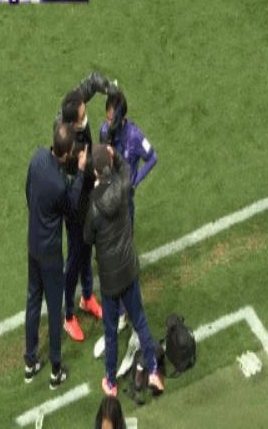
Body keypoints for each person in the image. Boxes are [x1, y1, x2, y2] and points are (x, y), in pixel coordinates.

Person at [84, 144, 164, 397]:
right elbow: (127, 169)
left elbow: (87, 238)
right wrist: (115, 155)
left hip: (110, 280)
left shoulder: (93, 205)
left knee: (110, 333)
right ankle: (153, 370)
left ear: (95, 172)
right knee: (139, 319)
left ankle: (111, 382)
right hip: (128, 269)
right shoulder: (122, 185)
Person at [54, 72, 118, 342]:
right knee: (75, 259)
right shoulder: (71, 146)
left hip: (88, 201)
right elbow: (88, 169)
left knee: (87, 249)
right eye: (82, 115)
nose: (85, 114)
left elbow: (89, 83)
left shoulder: (70, 107)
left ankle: (87, 297)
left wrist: (108, 87)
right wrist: (106, 156)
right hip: (77, 207)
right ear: (73, 123)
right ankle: (68, 316)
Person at [24, 122, 88, 389]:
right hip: (50, 254)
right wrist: (81, 172)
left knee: (32, 301)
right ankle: (55, 370)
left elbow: (27, 191)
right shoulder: (60, 185)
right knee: (54, 309)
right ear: (69, 152)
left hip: (33, 245)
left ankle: (30, 363)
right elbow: (72, 207)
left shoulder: (37, 157)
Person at [100, 90, 158, 229]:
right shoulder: (104, 131)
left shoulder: (134, 136)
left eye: (112, 120)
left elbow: (152, 158)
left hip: (125, 198)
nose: (108, 123)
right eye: (107, 118)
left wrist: (135, 181)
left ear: (121, 118)